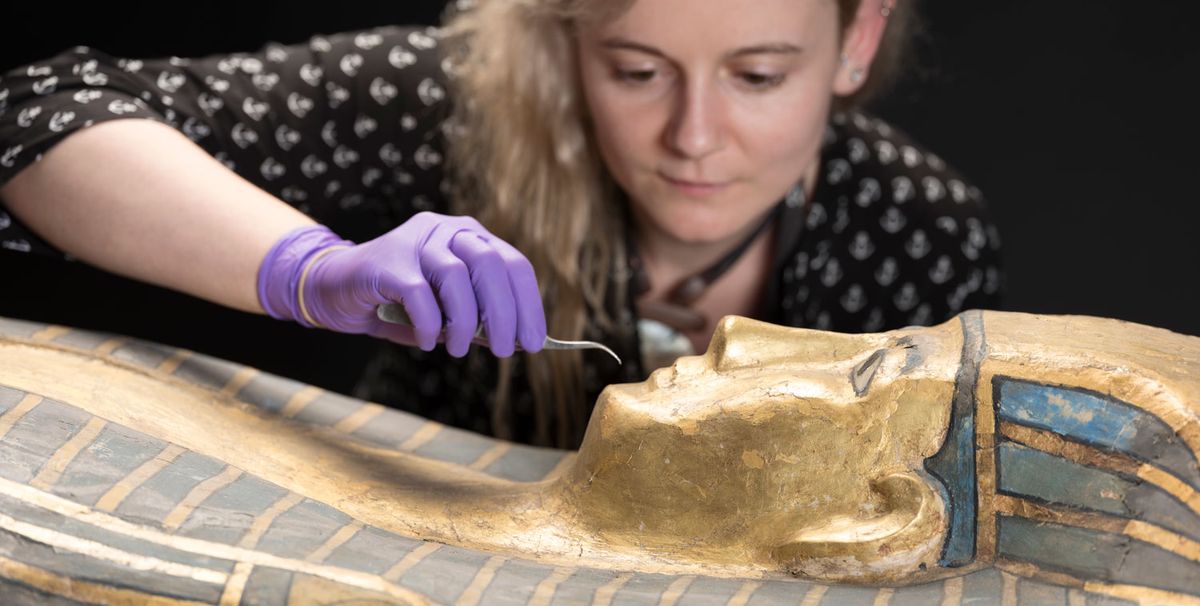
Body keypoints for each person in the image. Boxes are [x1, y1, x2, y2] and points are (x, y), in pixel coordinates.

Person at [0, 0, 1002, 447]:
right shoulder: (474, 101)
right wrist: (309, 270)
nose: (696, 137)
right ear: (571, 43)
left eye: (758, 76)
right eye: (637, 72)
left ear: (857, 38)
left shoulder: (922, 233)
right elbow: (34, 118)